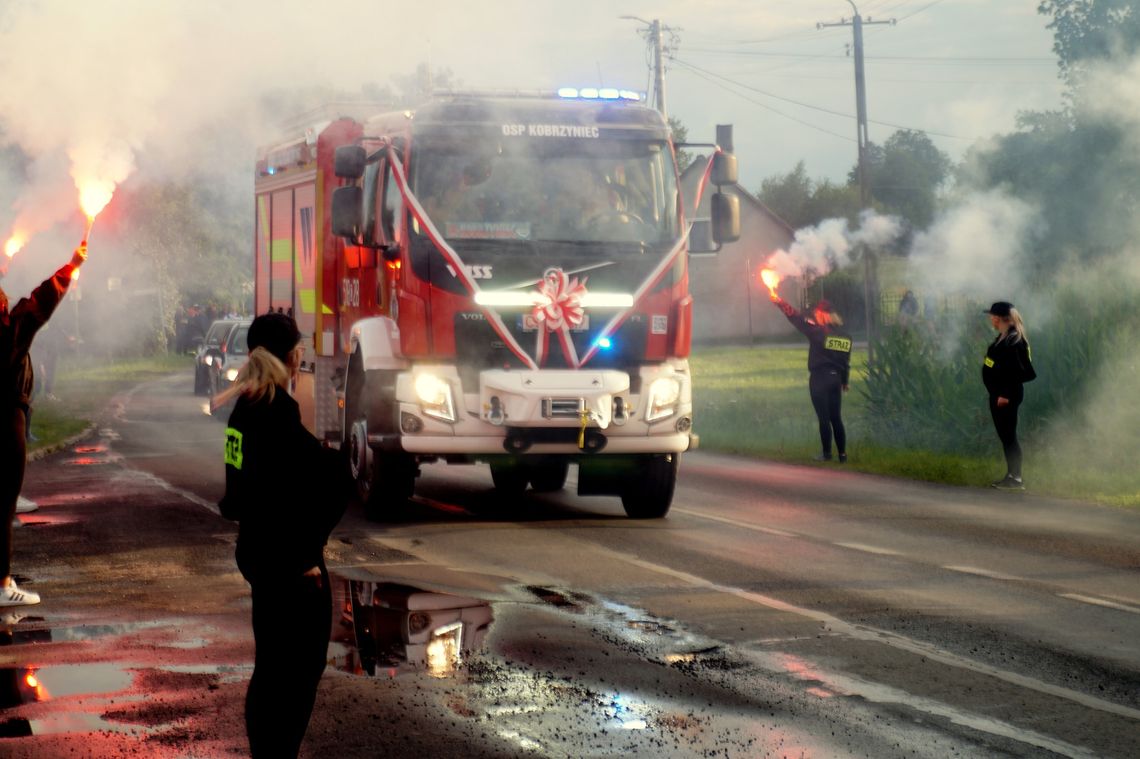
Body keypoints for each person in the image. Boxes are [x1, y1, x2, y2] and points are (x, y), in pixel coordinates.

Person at [217, 312, 351, 758]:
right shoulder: (277, 412)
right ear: (293, 357)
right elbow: (305, 487)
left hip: (259, 554)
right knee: (297, 671)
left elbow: (241, 492)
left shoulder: (245, 408)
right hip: (292, 564)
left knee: (271, 667)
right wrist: (308, 552)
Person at [0, 241, 87, 606]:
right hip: (5, 420)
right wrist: (72, 266)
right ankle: (2, 586)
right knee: (3, 506)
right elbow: (39, 306)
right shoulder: (8, 333)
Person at [770, 292, 852, 463]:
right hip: (836, 379)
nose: (814, 315)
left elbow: (796, 318)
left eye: (817, 313)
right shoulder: (845, 337)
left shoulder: (817, 331)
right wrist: (844, 381)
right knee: (836, 417)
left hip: (819, 379)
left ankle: (827, 454)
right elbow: (846, 362)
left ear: (821, 314)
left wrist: (779, 301)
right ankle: (842, 455)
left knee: (824, 418)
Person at [982, 301, 1035, 490]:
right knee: (1006, 436)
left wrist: (1004, 394)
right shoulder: (1003, 337)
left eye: (991, 316)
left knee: (1009, 436)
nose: (990, 319)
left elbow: (1014, 371)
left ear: (997, 318)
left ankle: (1016, 478)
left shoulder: (1013, 340)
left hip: (1006, 395)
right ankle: (1011, 475)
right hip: (998, 394)